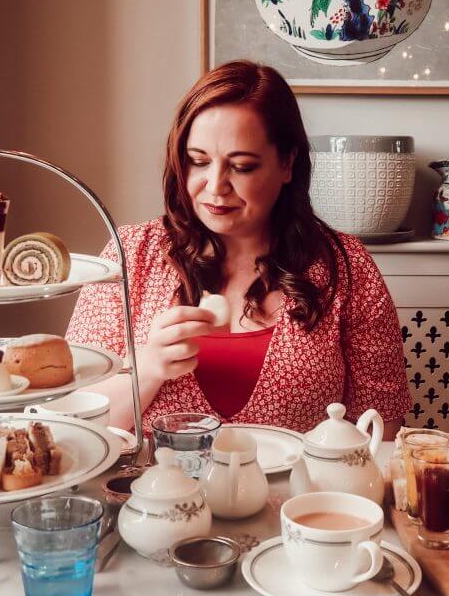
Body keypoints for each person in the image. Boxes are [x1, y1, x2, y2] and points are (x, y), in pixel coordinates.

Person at [66, 60, 411, 436]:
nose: (216, 186)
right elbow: (75, 426)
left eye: (242, 166)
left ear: (287, 164)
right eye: (198, 162)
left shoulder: (345, 266)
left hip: (302, 494)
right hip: (153, 492)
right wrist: (147, 368)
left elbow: (382, 425)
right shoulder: (130, 255)